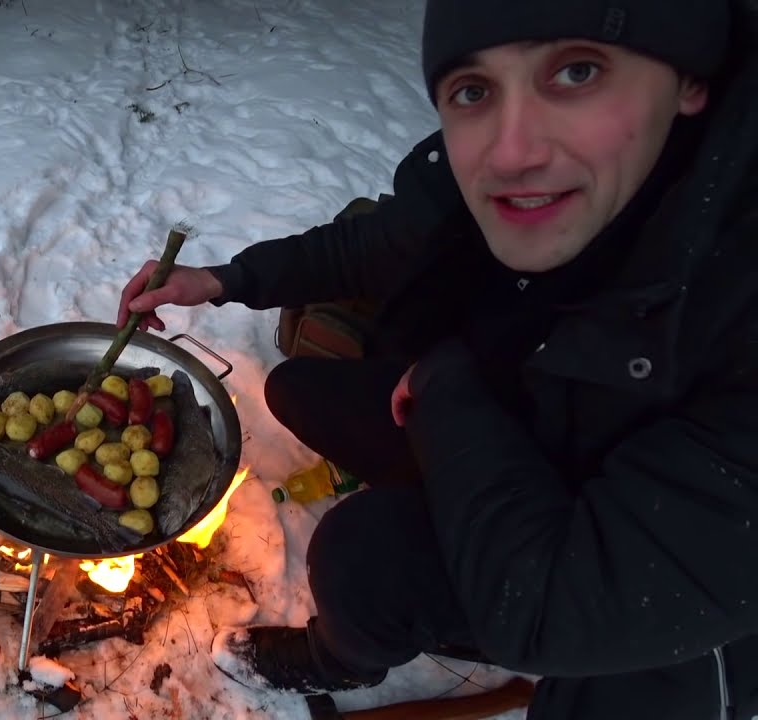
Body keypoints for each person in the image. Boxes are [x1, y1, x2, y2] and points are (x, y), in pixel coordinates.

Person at [114, 1, 758, 718]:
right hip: (519, 415)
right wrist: (225, 281)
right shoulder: (499, 165)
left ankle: (344, 659)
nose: (512, 151)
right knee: (300, 389)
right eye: (473, 89)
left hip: (617, 589)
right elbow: (384, 242)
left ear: (690, 80)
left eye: (577, 71)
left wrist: (448, 388)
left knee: (359, 558)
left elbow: (553, 606)